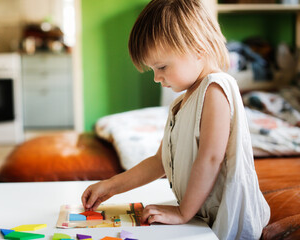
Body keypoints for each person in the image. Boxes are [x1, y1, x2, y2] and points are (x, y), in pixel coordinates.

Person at [81, 0, 270, 239]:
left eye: (161, 67)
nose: (156, 78)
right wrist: (110, 186)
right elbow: (159, 161)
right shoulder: (180, 102)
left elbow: (210, 159)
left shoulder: (216, 89)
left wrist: (182, 212)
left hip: (227, 221)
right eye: (152, 70)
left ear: (198, 48)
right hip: (200, 214)